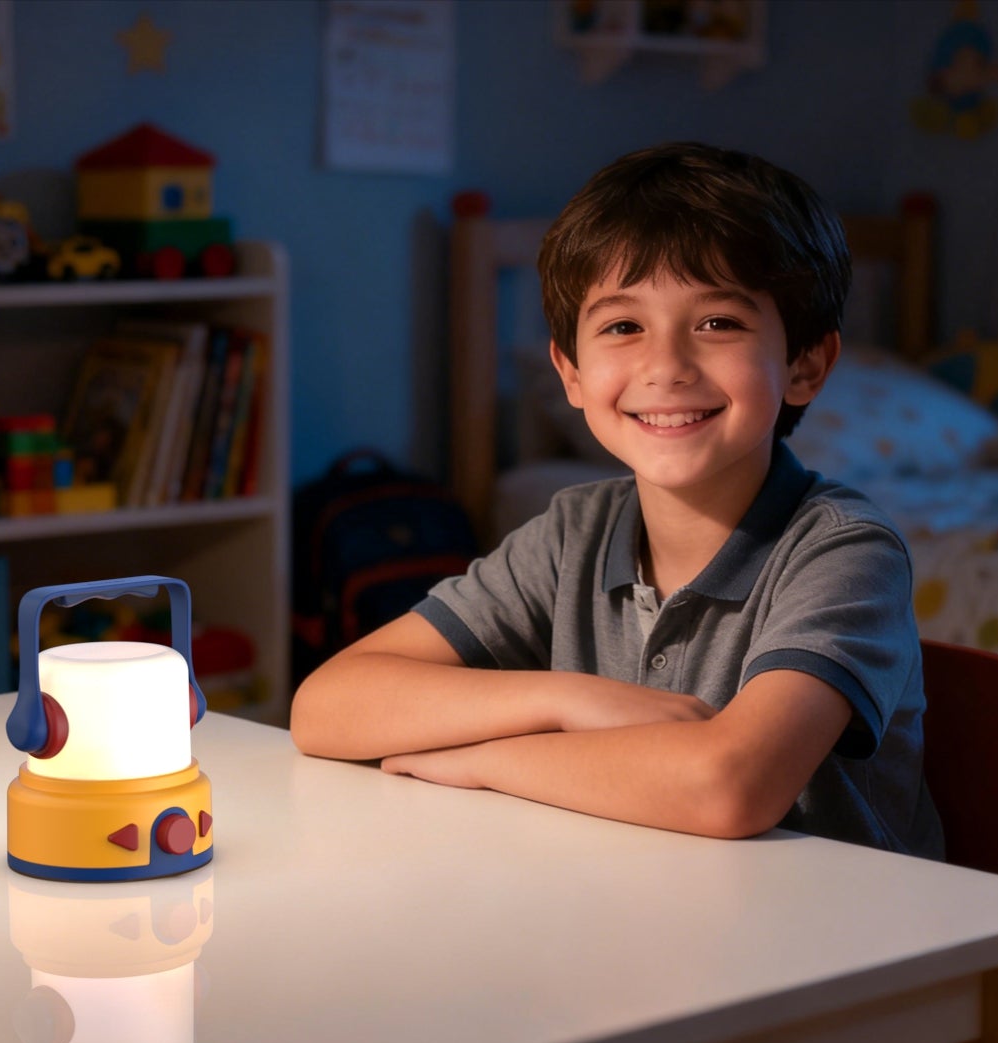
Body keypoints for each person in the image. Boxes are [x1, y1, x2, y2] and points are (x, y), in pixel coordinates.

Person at [290, 141, 942, 860]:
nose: (665, 367)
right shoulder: (576, 530)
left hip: (838, 948)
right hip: (636, 915)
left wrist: (484, 762)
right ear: (569, 371)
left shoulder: (844, 551)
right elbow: (326, 707)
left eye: (718, 322)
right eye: (623, 326)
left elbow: (729, 785)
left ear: (806, 363)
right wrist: (568, 700)